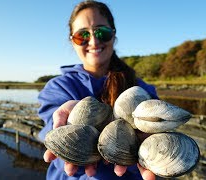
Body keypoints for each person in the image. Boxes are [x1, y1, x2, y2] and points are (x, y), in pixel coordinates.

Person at [38, 1, 159, 179]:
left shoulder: (140, 88)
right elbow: (54, 132)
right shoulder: (58, 87)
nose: (94, 41)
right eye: (82, 35)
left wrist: (140, 153)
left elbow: (153, 142)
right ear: (72, 41)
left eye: (102, 32)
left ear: (114, 36)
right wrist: (67, 134)